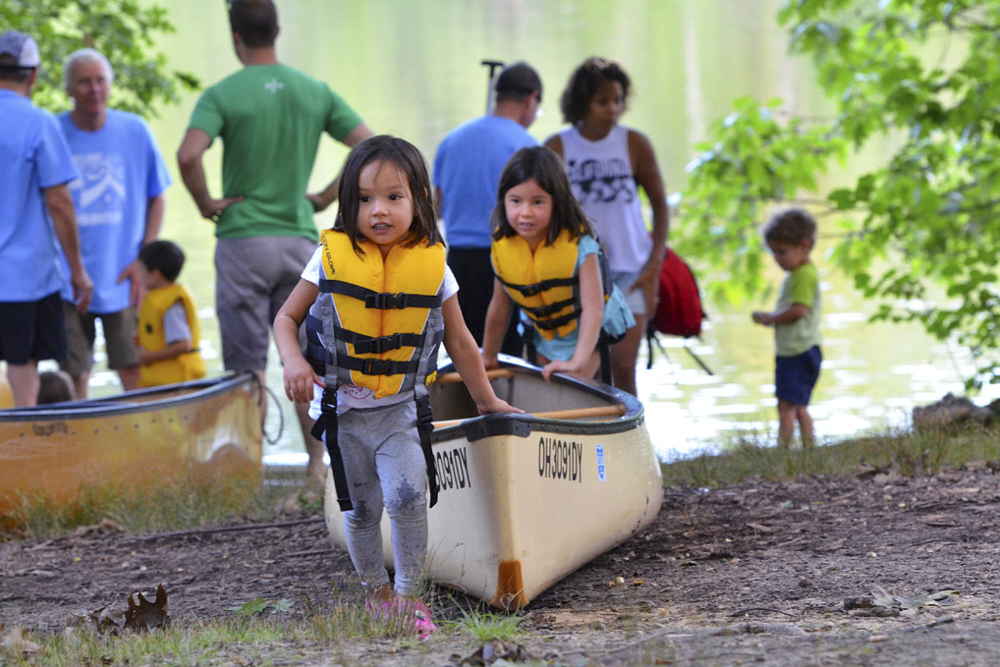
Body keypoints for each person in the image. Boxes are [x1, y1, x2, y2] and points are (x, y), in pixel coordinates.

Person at [274, 135, 521, 638]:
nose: (378, 211)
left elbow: (461, 341)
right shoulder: (326, 260)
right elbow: (286, 318)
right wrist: (293, 359)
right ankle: (376, 594)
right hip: (345, 416)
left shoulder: (435, 269)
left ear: (419, 203)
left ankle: (409, 598)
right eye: (364, 199)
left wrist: (488, 401)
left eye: (393, 197)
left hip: (399, 412)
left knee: (409, 498)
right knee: (362, 510)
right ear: (349, 206)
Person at [176, 0, 374, 485]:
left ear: (234, 35)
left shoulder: (223, 94)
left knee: (246, 368)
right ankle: (315, 467)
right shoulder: (314, 92)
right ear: (277, 30)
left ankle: (252, 470)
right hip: (299, 244)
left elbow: (187, 156)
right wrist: (328, 196)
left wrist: (206, 203)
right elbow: (370, 145)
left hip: (242, 243)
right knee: (309, 357)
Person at [544, 57, 669, 396]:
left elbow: (660, 204)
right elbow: (541, 210)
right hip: (579, 273)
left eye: (618, 100)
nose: (612, 109)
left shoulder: (634, 143)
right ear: (582, 102)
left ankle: (635, 445)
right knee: (589, 370)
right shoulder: (558, 147)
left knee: (625, 365)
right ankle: (595, 442)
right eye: (602, 101)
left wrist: (655, 263)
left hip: (633, 270)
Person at [57, 48, 172, 399]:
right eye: (84, 82)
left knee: (132, 364)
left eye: (100, 81)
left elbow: (158, 197)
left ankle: (137, 444)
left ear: (110, 85)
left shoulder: (135, 130)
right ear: (69, 90)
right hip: (66, 276)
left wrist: (144, 259)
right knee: (75, 368)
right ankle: (79, 440)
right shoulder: (53, 131)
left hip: (124, 274)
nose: (94, 89)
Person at [481, 146, 634, 383]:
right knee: (534, 395)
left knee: (571, 388)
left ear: (557, 201)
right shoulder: (503, 247)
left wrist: (577, 362)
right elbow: (500, 308)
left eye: (538, 202)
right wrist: (488, 356)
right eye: (516, 201)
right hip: (542, 335)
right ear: (504, 200)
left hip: (589, 334)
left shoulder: (581, 246)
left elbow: (594, 310)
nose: (525, 213)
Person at [0, 30, 93, 408]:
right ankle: (24, 452)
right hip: (25, 278)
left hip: (22, 278)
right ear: (33, 75)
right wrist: (77, 270)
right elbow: (59, 203)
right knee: (23, 368)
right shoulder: (38, 123)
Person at [433, 62, 543, 353]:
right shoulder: (528, 146)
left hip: (456, 265)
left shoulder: (451, 140)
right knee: (506, 358)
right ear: (531, 99)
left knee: (464, 354)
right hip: (506, 261)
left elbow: (437, 209)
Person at [751, 208, 822, 448]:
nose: (777, 259)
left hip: (797, 352)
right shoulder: (800, 273)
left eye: (782, 252)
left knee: (786, 406)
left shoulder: (803, 275)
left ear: (804, 246)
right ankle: (809, 448)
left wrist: (771, 318)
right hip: (801, 349)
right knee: (799, 405)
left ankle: (784, 451)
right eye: (773, 252)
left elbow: (799, 310)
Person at [135, 240, 206, 388]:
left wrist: (149, 357)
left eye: (142, 270)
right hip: (162, 383)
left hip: (178, 383)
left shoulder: (171, 304)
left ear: (156, 274)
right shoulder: (157, 298)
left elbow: (183, 344)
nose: (140, 275)